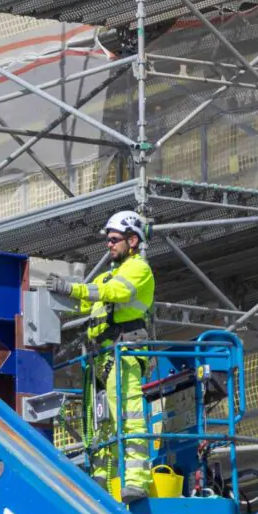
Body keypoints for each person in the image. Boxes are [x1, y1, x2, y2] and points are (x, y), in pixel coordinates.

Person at [74, 209, 158, 498]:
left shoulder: (138, 269)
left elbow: (116, 293)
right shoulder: (110, 275)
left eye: (113, 239)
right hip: (102, 358)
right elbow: (87, 300)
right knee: (101, 420)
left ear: (132, 240)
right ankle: (100, 477)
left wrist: (75, 289)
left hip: (124, 354)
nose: (108, 245)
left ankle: (135, 479)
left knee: (128, 415)